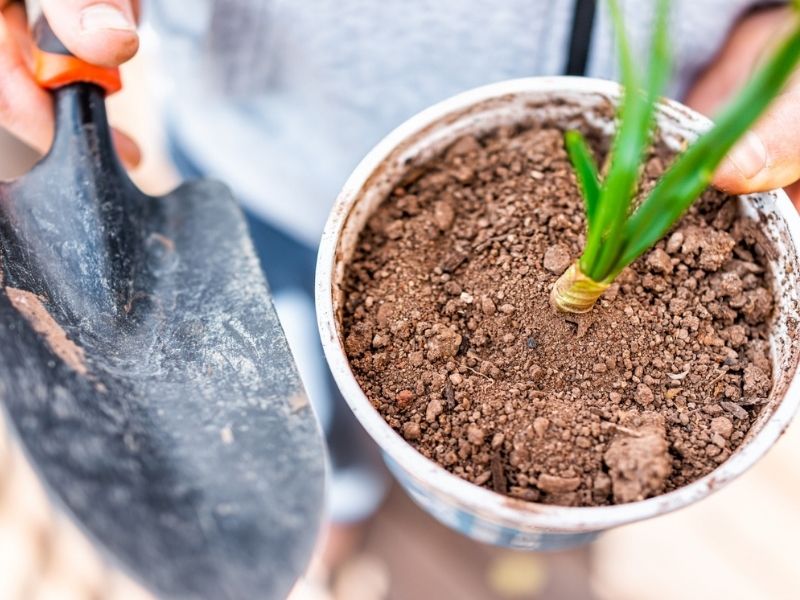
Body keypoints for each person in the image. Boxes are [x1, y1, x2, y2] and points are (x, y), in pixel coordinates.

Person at [1, 0, 799, 577]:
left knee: (560, 510)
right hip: (267, 153)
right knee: (298, 371)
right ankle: (337, 498)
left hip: (678, 111)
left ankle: (519, 524)